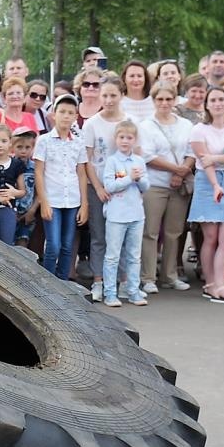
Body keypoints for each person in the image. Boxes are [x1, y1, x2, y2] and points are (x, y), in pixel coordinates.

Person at [187, 86, 224, 304]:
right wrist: (214, 185)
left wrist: (216, 158)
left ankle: (221, 284)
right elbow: (204, 161)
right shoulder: (199, 130)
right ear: (207, 104)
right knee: (210, 238)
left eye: (222, 99)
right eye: (213, 99)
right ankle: (211, 284)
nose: (218, 103)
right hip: (206, 183)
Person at [139, 82, 195, 292]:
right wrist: (176, 170)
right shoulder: (145, 125)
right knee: (150, 232)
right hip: (154, 184)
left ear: (175, 100)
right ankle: (148, 277)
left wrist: (181, 173)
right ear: (153, 101)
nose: (164, 103)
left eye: (168, 99)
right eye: (160, 99)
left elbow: (192, 151)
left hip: (178, 186)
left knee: (174, 232)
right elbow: (147, 155)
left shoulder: (185, 125)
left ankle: (169, 275)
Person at [34, 96, 88, 280]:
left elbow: (81, 173)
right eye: (62, 112)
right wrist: (44, 202)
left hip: (72, 201)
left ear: (76, 116)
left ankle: (63, 283)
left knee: (67, 245)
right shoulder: (44, 141)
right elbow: (39, 173)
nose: (66, 116)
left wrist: (84, 204)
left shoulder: (79, 142)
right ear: (54, 115)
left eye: (70, 113)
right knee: (53, 245)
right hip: (53, 200)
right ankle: (49, 284)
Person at [81, 80, 126, 299]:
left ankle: (123, 280)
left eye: (113, 96)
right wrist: (97, 187)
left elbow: (134, 157)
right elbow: (87, 160)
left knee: (120, 236)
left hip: (123, 189)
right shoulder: (91, 124)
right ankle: (98, 280)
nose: (108, 100)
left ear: (121, 95)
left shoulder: (128, 122)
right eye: (105, 96)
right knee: (98, 235)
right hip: (97, 187)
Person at [101, 120, 149, 307]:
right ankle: (110, 293)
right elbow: (110, 186)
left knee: (134, 256)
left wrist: (139, 178)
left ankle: (133, 291)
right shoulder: (112, 161)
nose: (125, 141)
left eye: (129, 138)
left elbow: (146, 186)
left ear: (135, 140)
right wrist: (130, 178)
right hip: (116, 215)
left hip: (136, 214)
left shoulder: (138, 161)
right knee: (112, 255)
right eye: (122, 137)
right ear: (116, 139)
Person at [12, 128, 38, 246]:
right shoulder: (8, 165)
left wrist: (32, 210)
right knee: (7, 243)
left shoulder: (35, 168)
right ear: (12, 147)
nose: (23, 151)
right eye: (19, 147)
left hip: (27, 213)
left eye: (27, 147)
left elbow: (40, 192)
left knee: (23, 243)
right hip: (10, 213)